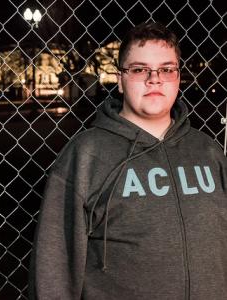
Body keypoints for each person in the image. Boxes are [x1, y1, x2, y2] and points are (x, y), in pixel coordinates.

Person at [29, 22, 227, 299]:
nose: (154, 79)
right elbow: (54, 268)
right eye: (139, 69)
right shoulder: (86, 154)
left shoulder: (209, 151)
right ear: (120, 80)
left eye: (166, 69)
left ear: (178, 77)